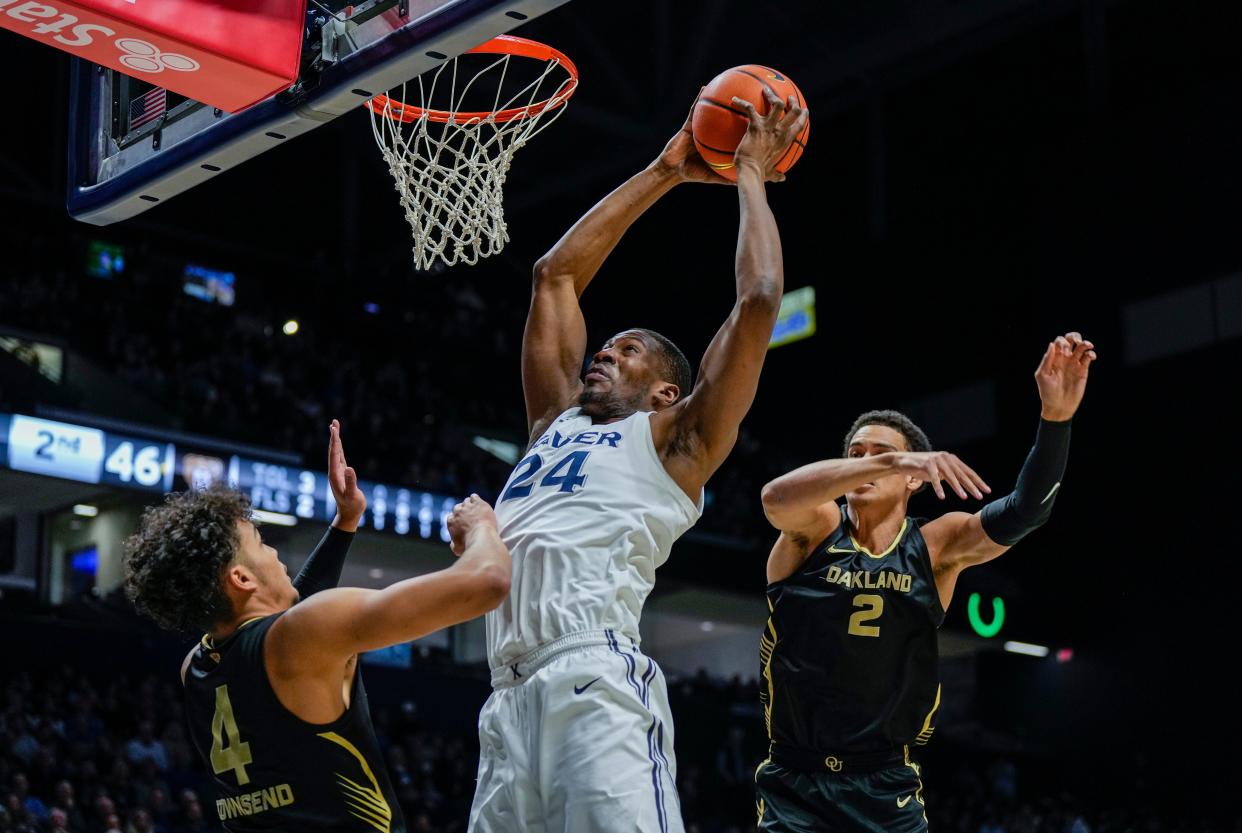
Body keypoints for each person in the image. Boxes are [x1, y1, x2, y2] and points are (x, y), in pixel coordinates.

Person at [468, 89, 808, 833]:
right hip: (505, 698)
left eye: (625, 350)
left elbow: (759, 299)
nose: (602, 351)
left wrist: (749, 171)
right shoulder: (550, 424)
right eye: (605, 343)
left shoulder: (675, 440)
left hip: (594, 681)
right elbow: (554, 275)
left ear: (665, 391)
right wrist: (665, 169)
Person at [755, 333, 1097, 832]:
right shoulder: (815, 528)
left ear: (917, 478)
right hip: (795, 782)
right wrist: (889, 459)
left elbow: (1027, 512)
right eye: (856, 453)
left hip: (885, 783)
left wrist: (1056, 419)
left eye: (883, 454)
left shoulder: (936, 545)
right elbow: (773, 499)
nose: (864, 461)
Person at [124, 421, 511, 833]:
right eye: (261, 542)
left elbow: (289, 623)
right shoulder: (299, 638)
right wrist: (481, 526)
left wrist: (346, 522)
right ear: (241, 579)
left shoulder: (196, 667)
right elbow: (487, 582)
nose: (274, 551)